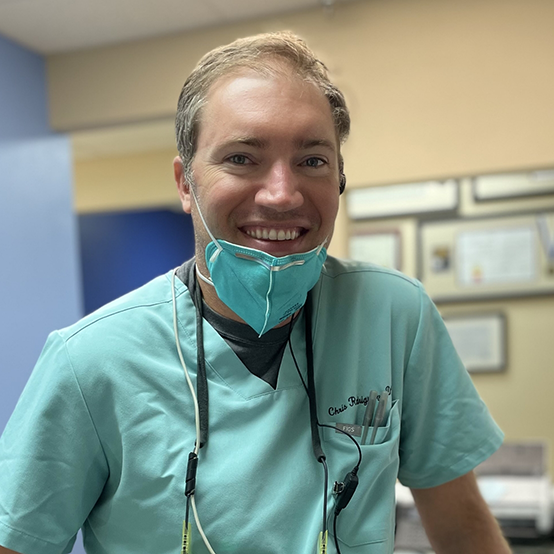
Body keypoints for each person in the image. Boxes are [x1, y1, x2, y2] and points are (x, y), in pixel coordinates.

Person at [0, 32, 510, 554]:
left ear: (339, 180)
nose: (283, 193)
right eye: (242, 158)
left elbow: (464, 529)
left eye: (313, 160)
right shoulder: (89, 362)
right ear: (185, 184)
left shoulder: (392, 316)